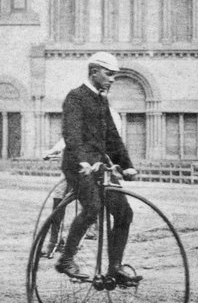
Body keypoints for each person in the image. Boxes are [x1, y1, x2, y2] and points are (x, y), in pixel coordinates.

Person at [57, 51, 142, 284]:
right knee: (92, 207)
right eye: (109, 74)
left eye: (114, 75)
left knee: (125, 213)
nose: (112, 79)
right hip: (78, 165)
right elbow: (71, 135)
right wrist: (84, 160)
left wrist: (126, 166)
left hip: (99, 167)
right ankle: (65, 259)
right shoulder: (75, 97)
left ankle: (115, 267)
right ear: (94, 72)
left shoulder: (101, 100)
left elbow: (112, 138)